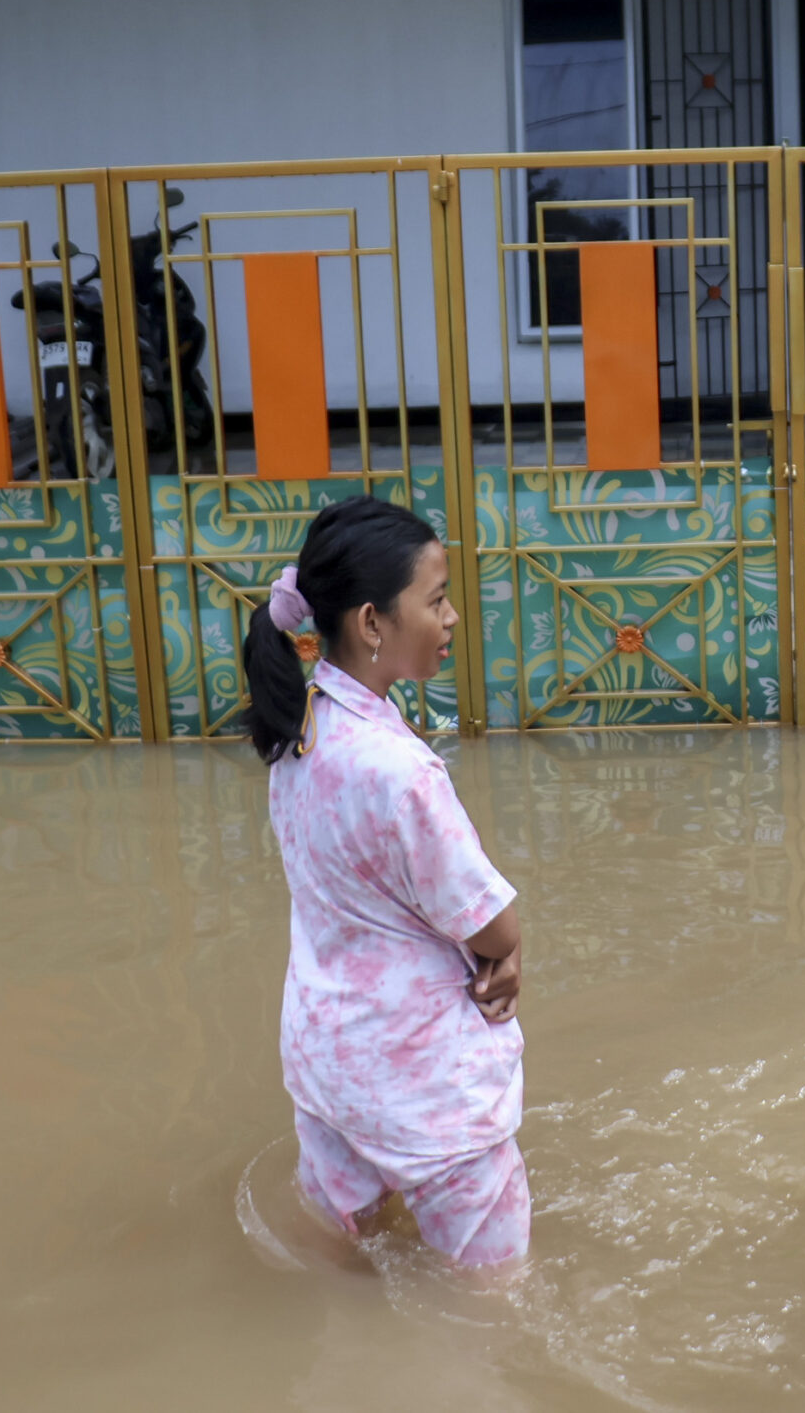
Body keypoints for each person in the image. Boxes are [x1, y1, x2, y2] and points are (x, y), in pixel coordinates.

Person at [244, 496, 531, 1269]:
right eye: (436, 600)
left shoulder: (297, 731)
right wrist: (505, 954)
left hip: (328, 1064)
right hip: (422, 1085)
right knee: (493, 1302)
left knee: (343, 1273)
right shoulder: (402, 772)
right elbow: (492, 925)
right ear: (372, 622)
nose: (452, 617)